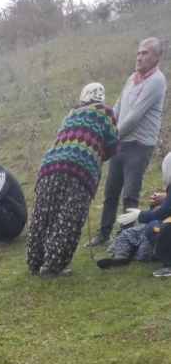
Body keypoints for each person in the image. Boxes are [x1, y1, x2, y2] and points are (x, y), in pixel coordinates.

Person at [26, 83, 120, 277]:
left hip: (49, 165)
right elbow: (112, 145)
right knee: (68, 216)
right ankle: (51, 266)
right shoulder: (105, 111)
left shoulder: (71, 114)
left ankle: (35, 263)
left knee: (43, 214)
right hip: (80, 167)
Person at [87, 37, 166, 247]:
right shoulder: (133, 78)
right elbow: (119, 107)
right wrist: (105, 127)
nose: (139, 57)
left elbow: (134, 118)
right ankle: (103, 233)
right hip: (120, 143)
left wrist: (110, 137)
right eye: (139, 53)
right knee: (111, 192)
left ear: (157, 57)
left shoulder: (157, 81)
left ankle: (124, 238)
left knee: (129, 195)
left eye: (145, 53)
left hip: (139, 145)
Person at [97, 151, 171, 277]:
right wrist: (156, 203)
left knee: (144, 248)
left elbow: (164, 211)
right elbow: (161, 209)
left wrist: (140, 215)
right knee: (127, 234)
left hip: (161, 232)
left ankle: (142, 256)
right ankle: (120, 256)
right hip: (152, 228)